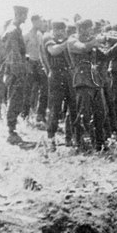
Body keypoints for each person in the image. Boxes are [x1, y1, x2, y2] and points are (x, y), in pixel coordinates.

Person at [67, 19, 106, 150]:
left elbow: (105, 56)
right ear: (80, 29)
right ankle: (79, 143)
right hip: (82, 81)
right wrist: (96, 41)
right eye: (88, 28)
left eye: (90, 28)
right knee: (83, 114)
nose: (90, 31)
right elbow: (83, 48)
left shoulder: (91, 42)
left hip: (95, 81)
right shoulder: (72, 40)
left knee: (100, 113)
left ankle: (99, 143)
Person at [43, 20, 77, 149]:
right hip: (56, 76)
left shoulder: (66, 40)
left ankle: (71, 137)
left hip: (68, 75)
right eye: (58, 30)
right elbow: (53, 51)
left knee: (73, 106)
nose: (61, 33)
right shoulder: (48, 39)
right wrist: (67, 42)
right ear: (54, 30)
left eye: (63, 30)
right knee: (54, 108)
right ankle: (51, 138)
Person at [1, 5, 29, 144]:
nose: (26, 18)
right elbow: (14, 55)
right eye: (24, 15)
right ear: (19, 15)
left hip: (15, 71)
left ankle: (12, 129)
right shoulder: (13, 31)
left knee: (15, 100)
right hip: (15, 72)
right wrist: (19, 74)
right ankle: (11, 131)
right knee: (14, 100)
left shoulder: (15, 29)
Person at [24, 14, 48, 124]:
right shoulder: (26, 35)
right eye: (39, 21)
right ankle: (24, 115)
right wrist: (27, 63)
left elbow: (42, 52)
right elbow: (22, 52)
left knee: (45, 89)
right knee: (28, 90)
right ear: (33, 22)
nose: (42, 24)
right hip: (29, 64)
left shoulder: (40, 35)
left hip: (39, 64)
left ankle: (40, 115)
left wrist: (46, 66)